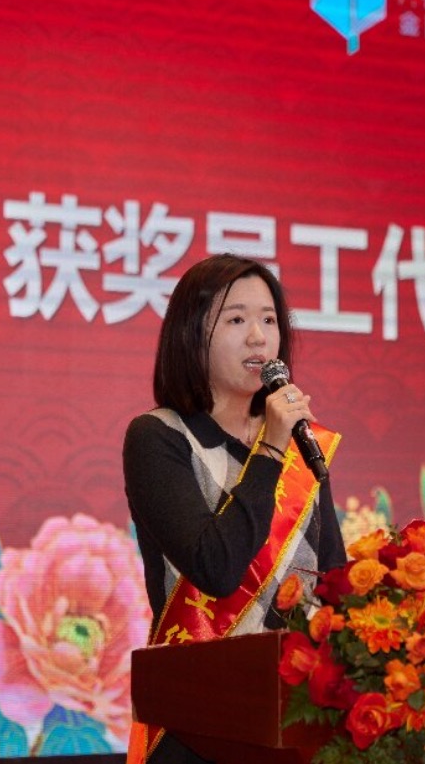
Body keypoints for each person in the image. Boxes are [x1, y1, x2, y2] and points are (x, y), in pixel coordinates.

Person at [123, 254, 346, 764]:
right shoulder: (159, 437)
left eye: (269, 320)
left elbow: (333, 577)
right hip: (199, 723)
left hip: (296, 716)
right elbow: (217, 568)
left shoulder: (301, 445)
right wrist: (270, 450)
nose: (258, 338)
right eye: (236, 319)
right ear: (191, 335)